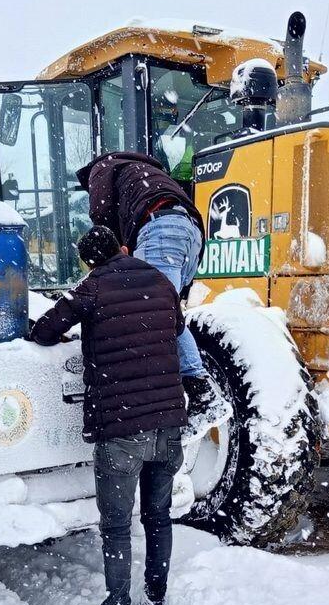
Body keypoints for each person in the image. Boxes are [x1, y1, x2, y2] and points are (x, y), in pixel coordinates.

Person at [29, 226, 186, 605]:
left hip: (122, 428)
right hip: (170, 421)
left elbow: (44, 331)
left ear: (87, 261)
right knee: (158, 517)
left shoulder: (90, 286)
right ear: (123, 248)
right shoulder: (160, 280)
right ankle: (154, 604)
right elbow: (176, 327)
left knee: (117, 528)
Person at [76, 152, 230, 435]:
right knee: (166, 312)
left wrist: (108, 260)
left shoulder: (102, 168)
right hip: (192, 230)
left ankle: (201, 392)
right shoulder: (148, 172)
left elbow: (101, 218)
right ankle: (180, 395)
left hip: (160, 229)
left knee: (157, 315)